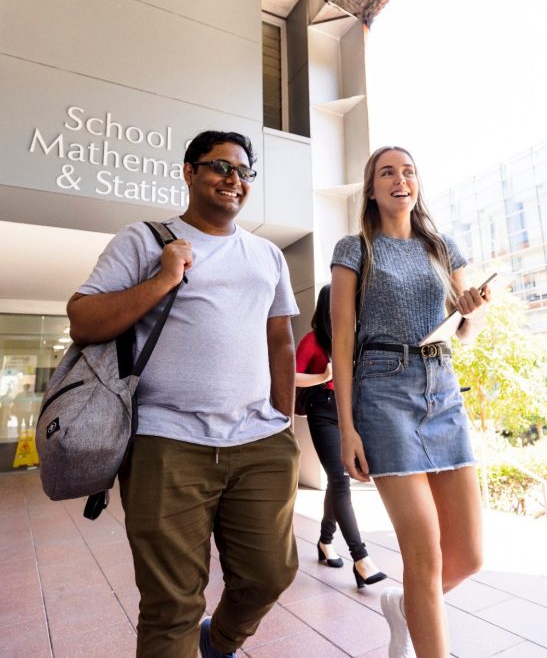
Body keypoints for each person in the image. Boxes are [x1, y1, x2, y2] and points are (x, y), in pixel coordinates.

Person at [67, 130, 300, 658]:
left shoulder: (266, 254)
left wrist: (283, 420)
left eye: (243, 172)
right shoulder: (145, 240)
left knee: (270, 574)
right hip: (166, 440)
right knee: (170, 605)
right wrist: (164, 277)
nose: (233, 180)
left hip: (259, 441)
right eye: (220, 167)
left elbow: (280, 339)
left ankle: (219, 644)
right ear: (189, 172)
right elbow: (82, 319)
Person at [330, 146, 491, 658]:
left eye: (408, 172)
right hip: (382, 390)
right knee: (423, 554)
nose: (400, 180)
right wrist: (347, 428)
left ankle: (404, 608)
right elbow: (340, 339)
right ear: (372, 189)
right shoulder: (355, 248)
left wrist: (473, 308)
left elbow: (468, 333)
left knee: (466, 557)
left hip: (442, 388)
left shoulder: (443, 248)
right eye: (387, 173)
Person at [295, 284, 387, 588]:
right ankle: (361, 559)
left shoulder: (354, 340)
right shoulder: (313, 340)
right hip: (323, 410)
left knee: (338, 480)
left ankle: (325, 541)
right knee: (339, 479)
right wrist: (323, 376)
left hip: (351, 413)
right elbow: (289, 375)